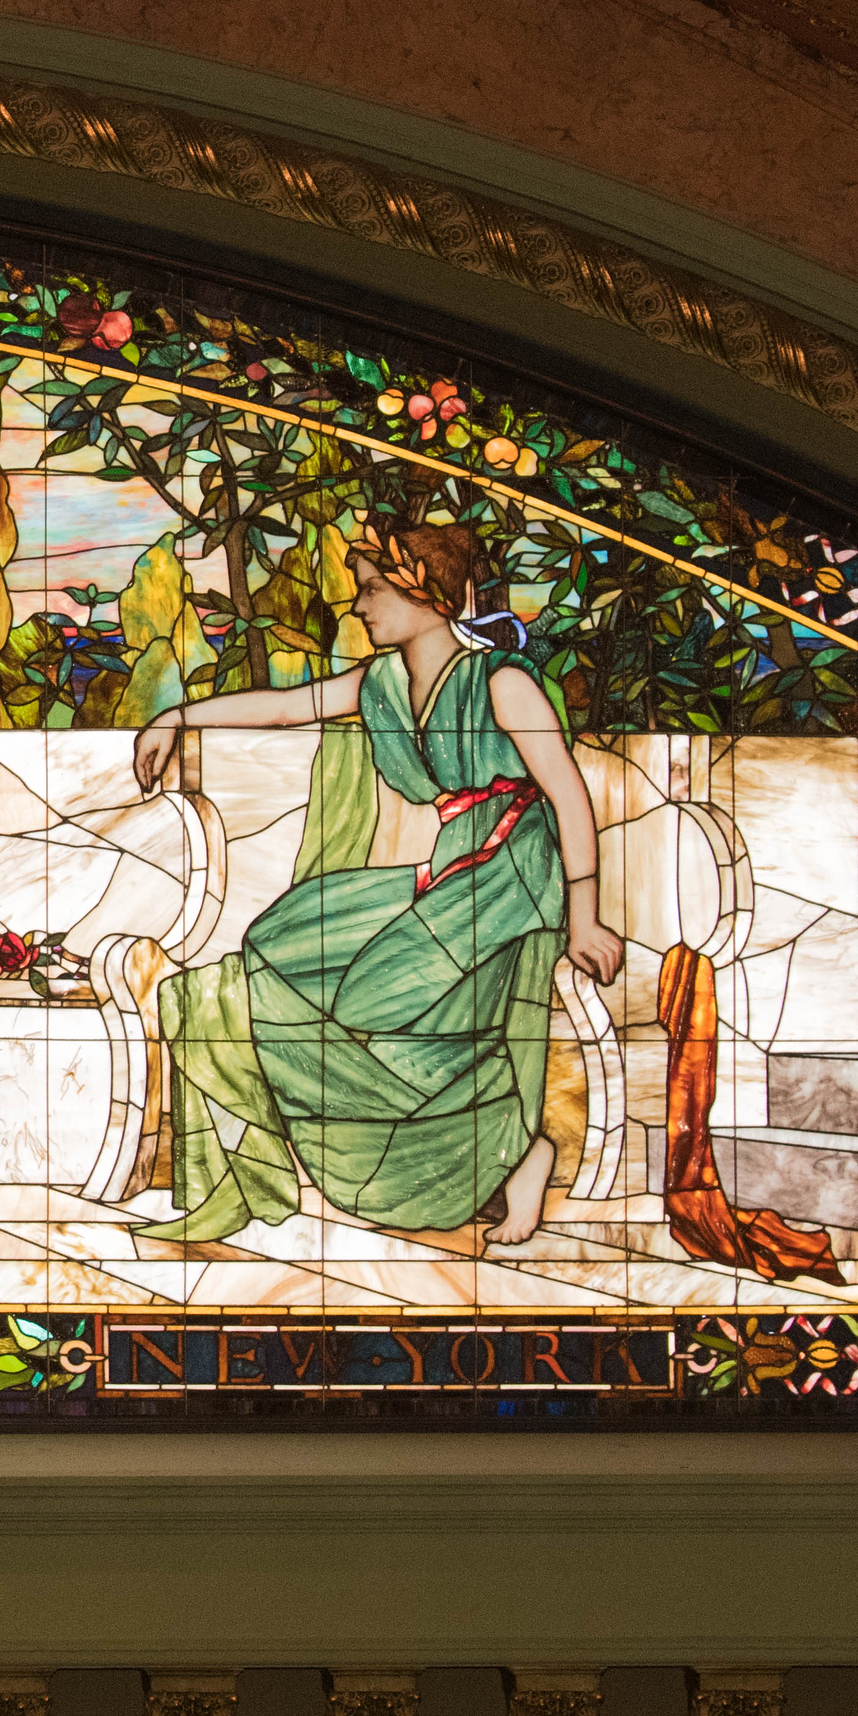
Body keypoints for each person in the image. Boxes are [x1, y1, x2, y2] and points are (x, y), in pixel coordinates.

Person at [128, 515, 622, 1248]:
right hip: (451, 873)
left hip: (516, 876)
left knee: (369, 997)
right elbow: (287, 706)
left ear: (428, 594)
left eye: (372, 589)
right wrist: (176, 715)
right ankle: (502, 1159)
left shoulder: (504, 682)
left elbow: (568, 795)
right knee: (278, 947)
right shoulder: (383, 683)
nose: (358, 605)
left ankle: (515, 1153)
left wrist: (585, 918)